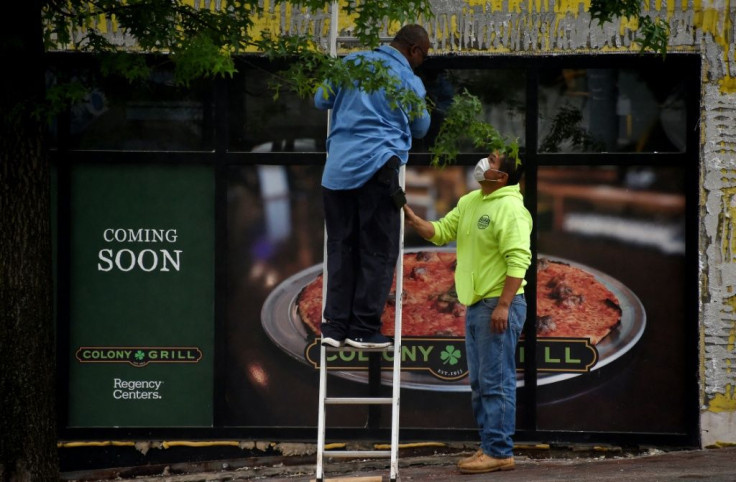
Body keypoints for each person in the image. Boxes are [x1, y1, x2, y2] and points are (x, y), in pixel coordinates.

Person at [403, 152, 532, 473]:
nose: (485, 162)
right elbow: (443, 231)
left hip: (499, 305)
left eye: (494, 160)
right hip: (476, 304)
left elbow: (519, 260)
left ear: (501, 177)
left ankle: (500, 451)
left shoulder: (512, 209)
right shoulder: (472, 200)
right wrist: (415, 220)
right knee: (480, 383)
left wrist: (503, 305)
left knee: (496, 382)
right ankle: (491, 445)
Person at [314, 25, 431, 349]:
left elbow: (320, 100)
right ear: (415, 50)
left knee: (341, 248)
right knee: (378, 249)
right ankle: (363, 329)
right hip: (377, 169)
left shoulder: (350, 63)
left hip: (336, 172)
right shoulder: (407, 79)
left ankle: (335, 328)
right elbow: (421, 127)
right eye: (423, 56)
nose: (420, 62)